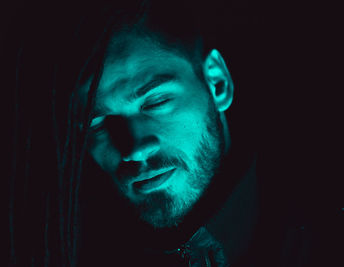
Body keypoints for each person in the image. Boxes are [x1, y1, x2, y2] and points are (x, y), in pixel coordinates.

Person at [6, 0, 260, 266]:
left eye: (155, 102)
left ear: (218, 83)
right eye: (97, 122)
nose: (134, 148)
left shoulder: (300, 223)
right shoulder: (62, 249)